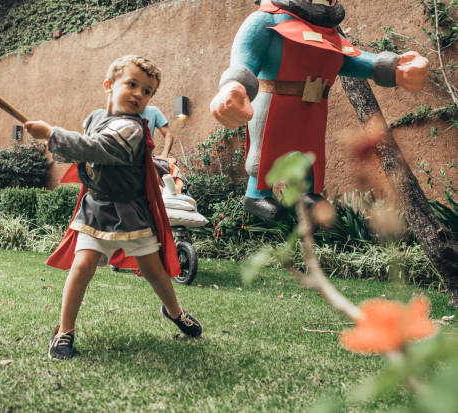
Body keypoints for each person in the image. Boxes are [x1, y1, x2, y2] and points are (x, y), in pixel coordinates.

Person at [24, 55, 202, 360]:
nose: (139, 94)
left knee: (154, 271)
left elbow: (99, 149)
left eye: (147, 91)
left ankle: (174, 311)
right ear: (109, 85)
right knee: (82, 267)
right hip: (96, 208)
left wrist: (53, 135)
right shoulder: (93, 118)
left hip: (131, 212)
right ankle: (64, 331)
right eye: (132, 84)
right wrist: (55, 143)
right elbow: (83, 152)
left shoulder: (133, 129)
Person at [210, 0, 429, 221]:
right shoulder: (264, 20)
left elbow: (351, 58)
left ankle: (308, 194)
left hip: (314, 104)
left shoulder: (326, 30)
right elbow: (244, 58)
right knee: (267, 147)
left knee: (310, 150)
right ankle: (257, 194)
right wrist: (234, 86)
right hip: (273, 100)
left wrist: (394, 67)